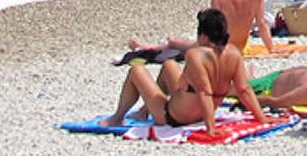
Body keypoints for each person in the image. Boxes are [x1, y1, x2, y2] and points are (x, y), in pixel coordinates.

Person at [101, 7, 249, 133]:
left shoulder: (195, 56)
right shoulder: (234, 54)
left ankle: (117, 118)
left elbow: (205, 92)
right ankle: (143, 111)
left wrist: (211, 129)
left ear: (203, 36)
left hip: (173, 118)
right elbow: (243, 89)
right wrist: (261, 117)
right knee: (169, 65)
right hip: (200, 114)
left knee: (136, 70)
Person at [130, 0, 275, 57]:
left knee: (173, 42)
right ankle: (145, 46)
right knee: (181, 43)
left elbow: (212, 27)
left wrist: (202, 45)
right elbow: (262, 25)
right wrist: (271, 49)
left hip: (220, 47)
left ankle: (145, 47)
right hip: (240, 46)